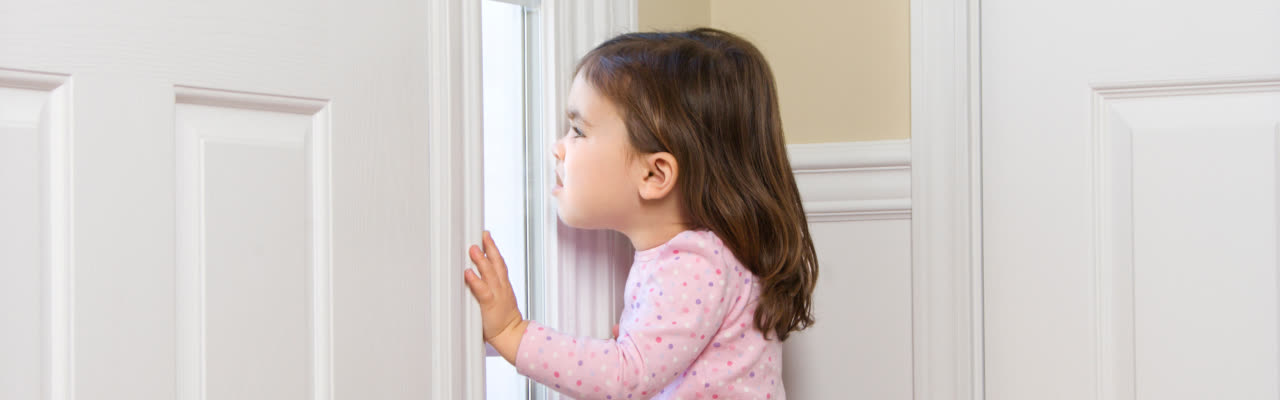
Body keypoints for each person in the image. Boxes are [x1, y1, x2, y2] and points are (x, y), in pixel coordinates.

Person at [463, 28, 818, 400]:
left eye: (577, 131)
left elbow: (624, 376)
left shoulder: (694, 263)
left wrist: (512, 332)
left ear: (654, 174)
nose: (558, 147)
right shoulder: (704, 256)